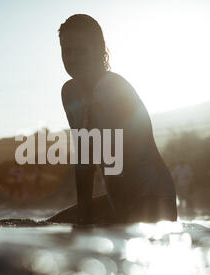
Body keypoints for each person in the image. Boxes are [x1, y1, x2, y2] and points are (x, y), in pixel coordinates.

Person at [47, 14, 177, 224]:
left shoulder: (111, 88)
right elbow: (83, 162)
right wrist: (83, 216)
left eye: (80, 50)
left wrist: (118, 218)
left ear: (99, 50)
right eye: (66, 51)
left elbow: (111, 160)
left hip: (155, 198)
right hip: (118, 197)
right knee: (51, 226)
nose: (72, 58)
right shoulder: (69, 92)